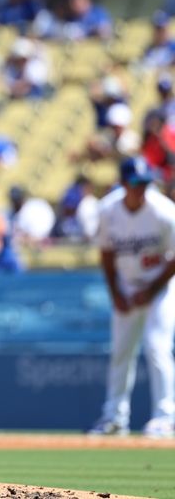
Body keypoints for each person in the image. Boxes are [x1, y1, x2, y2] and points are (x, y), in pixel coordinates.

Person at [88, 157, 175, 439]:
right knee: (121, 352)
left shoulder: (164, 211)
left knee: (157, 347)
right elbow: (106, 254)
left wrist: (151, 290)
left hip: (159, 286)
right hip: (126, 286)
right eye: (136, 183)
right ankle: (114, 418)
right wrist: (116, 294)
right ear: (124, 183)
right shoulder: (109, 210)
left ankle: (165, 417)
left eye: (146, 182)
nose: (142, 188)